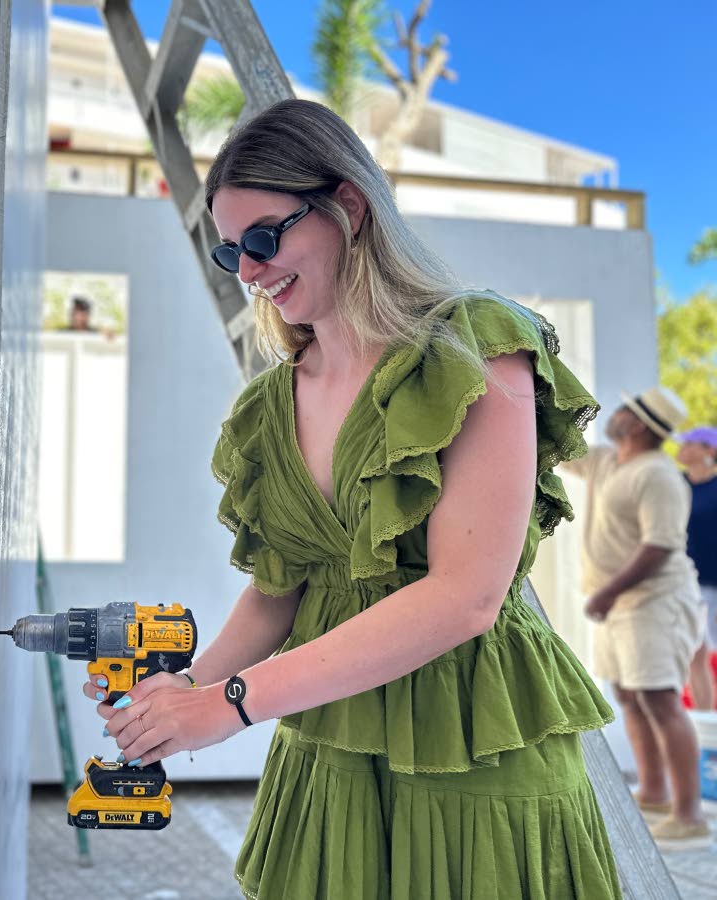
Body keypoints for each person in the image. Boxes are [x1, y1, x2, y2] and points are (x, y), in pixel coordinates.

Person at [80, 99, 620, 898]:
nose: (253, 272)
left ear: (350, 206)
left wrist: (230, 703)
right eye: (233, 254)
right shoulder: (268, 408)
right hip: (328, 748)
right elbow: (278, 596)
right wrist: (181, 695)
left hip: (469, 734)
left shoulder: (472, 347)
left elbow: (464, 598)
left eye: (265, 237)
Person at [562, 387, 709, 846]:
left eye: (623, 409)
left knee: (662, 700)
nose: (614, 413)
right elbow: (563, 451)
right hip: (622, 605)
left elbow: (661, 545)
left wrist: (607, 591)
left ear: (638, 424)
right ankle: (653, 793)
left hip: (654, 602)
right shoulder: (608, 461)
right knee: (629, 696)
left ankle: (689, 816)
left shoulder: (659, 475)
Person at [681, 426, 717, 711]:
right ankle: (705, 723)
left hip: (712, 583)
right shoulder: (675, 483)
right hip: (682, 582)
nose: (684, 447)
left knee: (706, 650)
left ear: (709, 450)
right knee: (694, 651)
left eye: (692, 443)